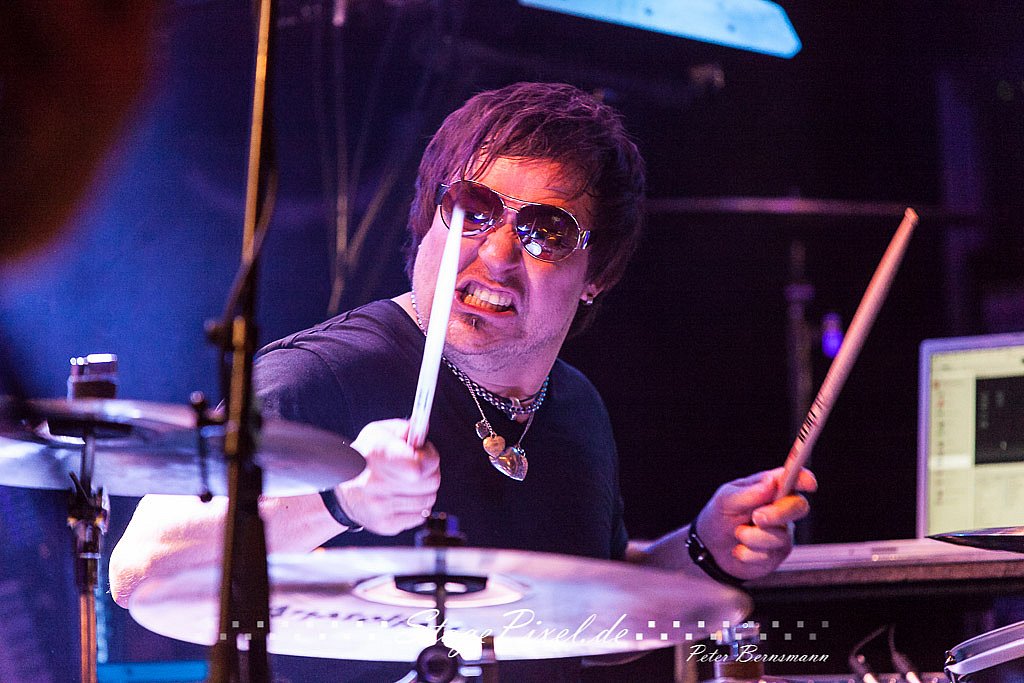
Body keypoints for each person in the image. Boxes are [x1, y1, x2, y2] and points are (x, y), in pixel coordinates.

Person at [109, 82, 815, 680]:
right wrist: (339, 499)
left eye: (547, 231)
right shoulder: (325, 375)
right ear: (428, 220)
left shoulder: (574, 407)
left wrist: (703, 549)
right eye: (473, 209)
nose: (498, 253)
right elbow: (141, 568)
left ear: (597, 275)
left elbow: (583, 614)